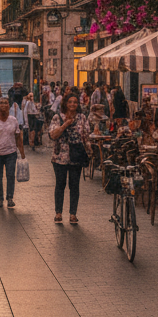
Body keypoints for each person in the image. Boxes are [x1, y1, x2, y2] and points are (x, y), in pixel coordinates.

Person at [49, 91, 90, 224]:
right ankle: (58, 213)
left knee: (74, 185)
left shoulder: (82, 117)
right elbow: (53, 135)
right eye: (70, 102)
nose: (72, 104)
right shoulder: (57, 117)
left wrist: (89, 153)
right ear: (65, 104)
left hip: (76, 156)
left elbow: (85, 135)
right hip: (59, 156)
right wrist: (65, 125)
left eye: (75, 102)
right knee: (60, 185)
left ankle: (73, 214)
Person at [0, 96, 25, 209]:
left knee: (10, 175)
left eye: (5, 103)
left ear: (8, 106)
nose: (3, 105)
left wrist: (22, 152)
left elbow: (18, 137)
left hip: (11, 152)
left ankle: (10, 197)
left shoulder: (13, 120)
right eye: (1, 103)